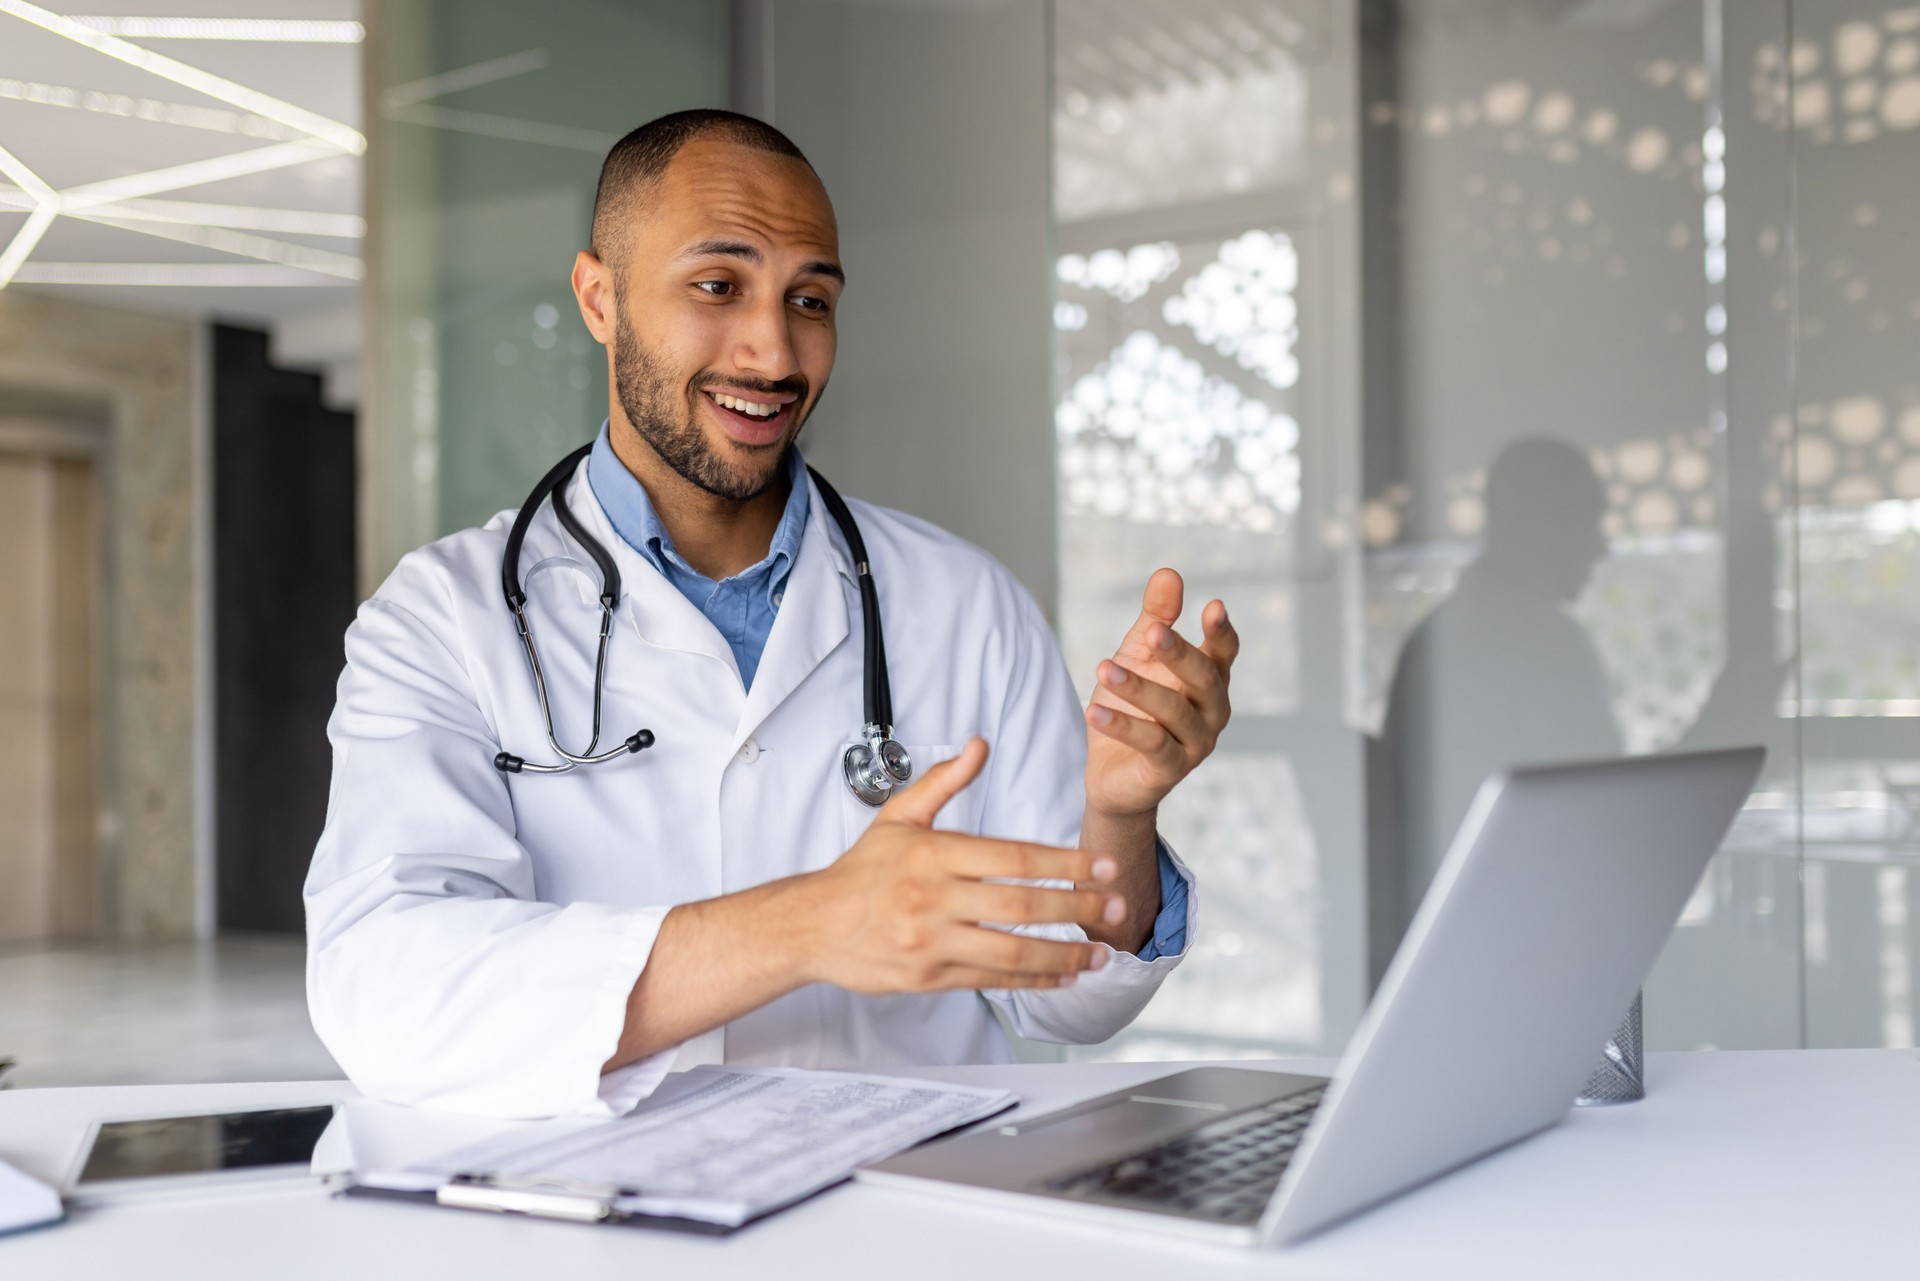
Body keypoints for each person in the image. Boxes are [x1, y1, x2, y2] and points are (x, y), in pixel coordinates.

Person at [305, 110, 1239, 1118]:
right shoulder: (443, 617)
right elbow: (387, 988)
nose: (774, 350)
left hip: (907, 1211)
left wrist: (1120, 814)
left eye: (811, 299)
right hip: (600, 1224)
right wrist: (811, 924)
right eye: (718, 286)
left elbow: (1069, 998)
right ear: (599, 297)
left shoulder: (963, 602)